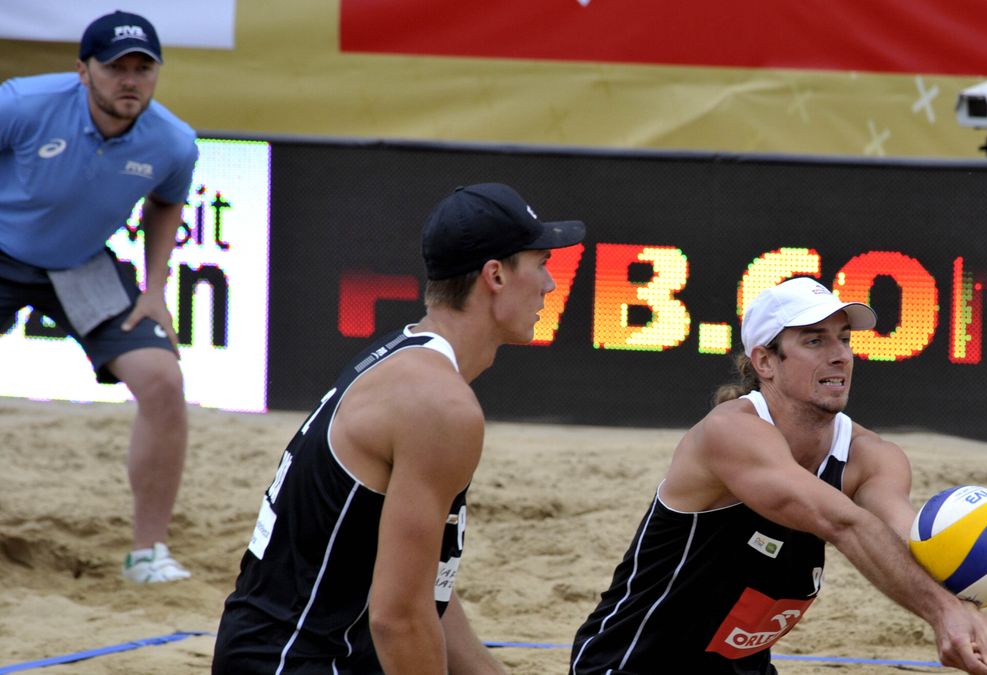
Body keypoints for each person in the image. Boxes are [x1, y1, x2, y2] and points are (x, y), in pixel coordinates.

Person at [212, 183, 586, 674]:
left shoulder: (407, 357)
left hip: (278, 649)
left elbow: (426, 595)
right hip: (295, 662)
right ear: (495, 274)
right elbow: (399, 620)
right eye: (541, 265)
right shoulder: (439, 405)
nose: (549, 285)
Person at [570, 276, 987, 675]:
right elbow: (843, 523)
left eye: (843, 339)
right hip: (633, 664)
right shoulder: (730, 431)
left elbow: (905, 541)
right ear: (764, 362)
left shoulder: (873, 456)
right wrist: (941, 613)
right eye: (815, 341)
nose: (840, 355)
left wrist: (961, 602)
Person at [0, 11, 198, 583]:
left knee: (163, 380)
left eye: (143, 68)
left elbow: (166, 201)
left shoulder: (173, 143)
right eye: (116, 68)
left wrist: (156, 287)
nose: (129, 80)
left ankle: (147, 554)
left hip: (80, 262)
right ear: (84, 71)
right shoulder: (21, 104)